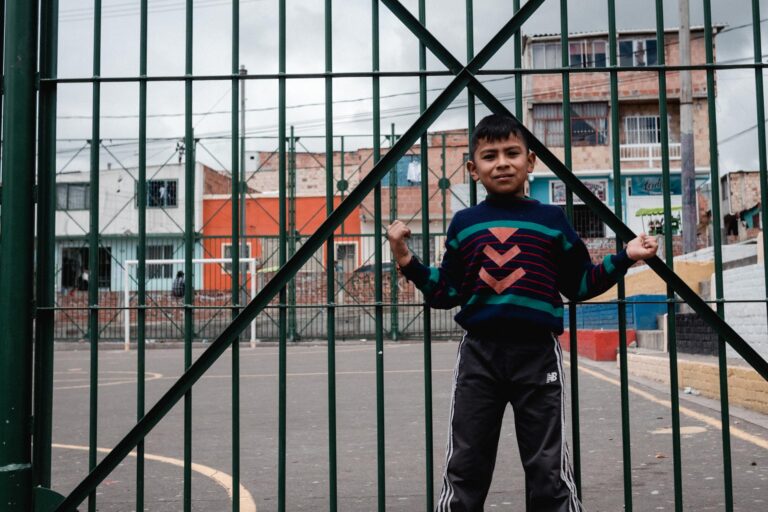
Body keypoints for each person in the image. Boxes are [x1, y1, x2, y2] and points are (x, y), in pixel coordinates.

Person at [387, 114, 658, 512]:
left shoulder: (552, 220)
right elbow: (446, 292)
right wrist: (404, 257)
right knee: (466, 463)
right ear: (473, 169)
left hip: (537, 354)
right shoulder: (464, 224)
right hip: (479, 355)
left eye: (512, 153)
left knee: (548, 468)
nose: (502, 163)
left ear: (530, 161)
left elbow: (580, 285)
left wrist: (625, 258)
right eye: (490, 155)